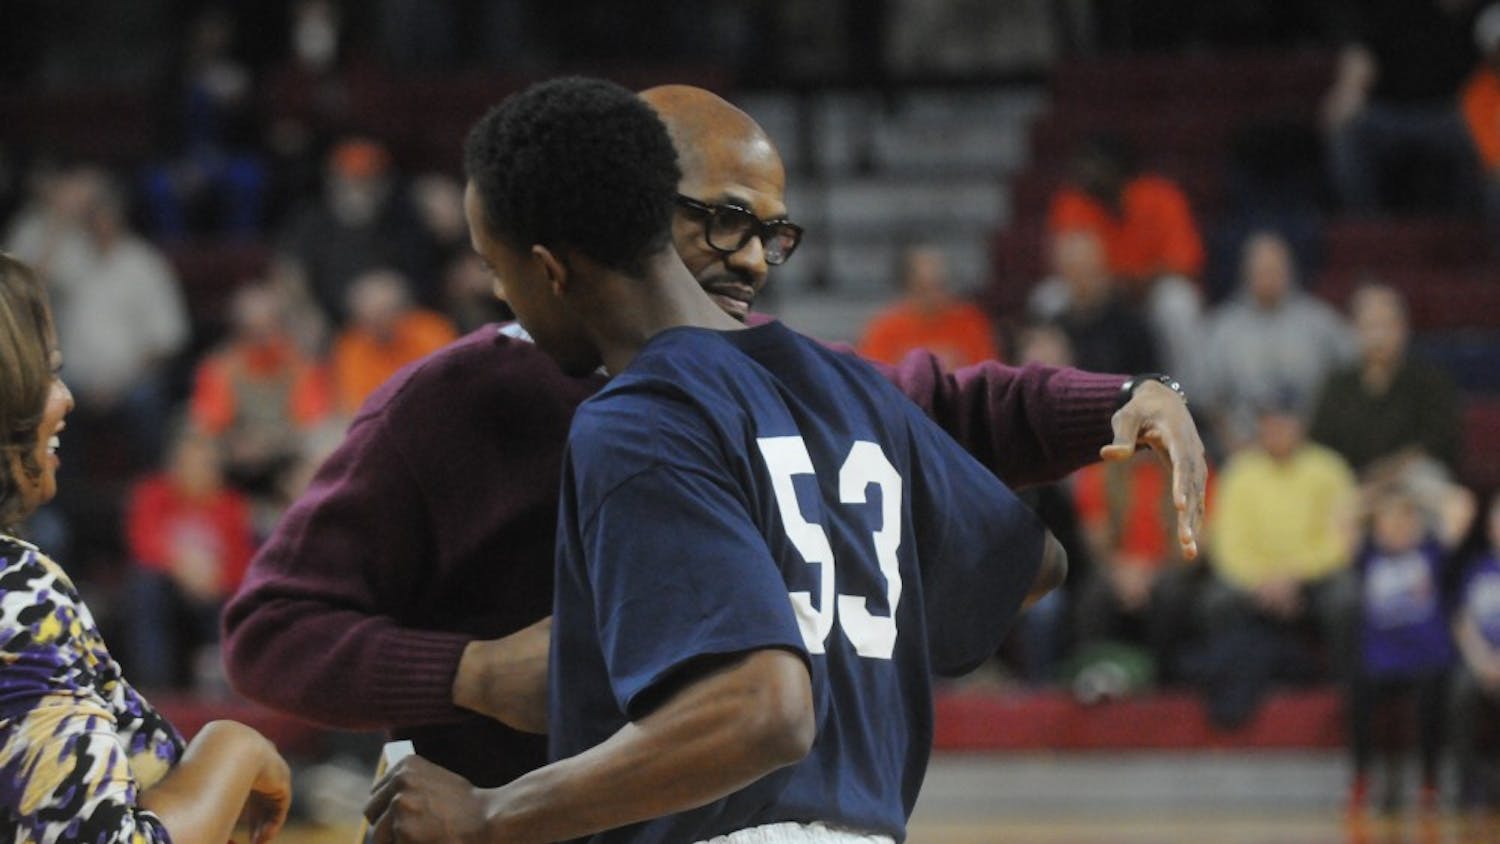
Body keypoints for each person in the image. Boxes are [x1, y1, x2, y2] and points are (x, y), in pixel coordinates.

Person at [222, 84, 1207, 789]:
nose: (753, 260)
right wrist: (469, 675)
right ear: (629, 201)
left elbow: (947, 408)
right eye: (726, 221)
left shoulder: (782, 373)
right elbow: (269, 633)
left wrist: (1125, 397)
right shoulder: (443, 404)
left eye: (774, 234)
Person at [364, 74, 1064, 844]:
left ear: (551, 268)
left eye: (500, 269)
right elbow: (1030, 564)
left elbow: (763, 711)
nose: (502, 296)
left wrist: (493, 813)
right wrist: (828, 623)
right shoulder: (847, 385)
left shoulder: (640, 417)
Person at [0, 253, 290, 842]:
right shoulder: (15, 590)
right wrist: (233, 748)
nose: (67, 397)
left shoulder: (227, 504)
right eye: (48, 374)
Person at [1345, 473, 1474, 815]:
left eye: (1406, 518)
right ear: (1378, 525)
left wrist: (1418, 491)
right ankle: (1361, 779)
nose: (1399, 526)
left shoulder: (1431, 551)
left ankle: (1429, 781)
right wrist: (1379, 494)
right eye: (1391, 519)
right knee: (1357, 688)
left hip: (1426, 657)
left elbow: (1462, 506)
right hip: (1381, 659)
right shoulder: (1368, 556)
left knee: (1434, 691)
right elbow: (1342, 516)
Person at [123, 423, 256, 691]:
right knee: (144, 587)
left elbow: (244, 562)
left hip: (215, 591)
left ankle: (229, 688)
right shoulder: (153, 494)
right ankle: (155, 687)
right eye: (190, 462)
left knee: (241, 604)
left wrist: (214, 578)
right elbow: (142, 544)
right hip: (168, 586)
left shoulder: (231, 505)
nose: (198, 470)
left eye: (206, 463)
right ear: (175, 465)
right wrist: (182, 566)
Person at [1201, 231, 1356, 452]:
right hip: (1243, 450)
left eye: (1275, 270)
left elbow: (1353, 379)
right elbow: (1211, 402)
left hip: (1313, 448)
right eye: (1261, 271)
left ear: (1290, 272)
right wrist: (1234, 446)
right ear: (1246, 274)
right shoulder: (1221, 329)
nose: (1268, 277)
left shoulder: (1322, 323)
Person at [1309, 283, 1462, 476]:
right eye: (1371, 326)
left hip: (1413, 485)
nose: (1379, 336)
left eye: (1387, 325)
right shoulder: (1336, 386)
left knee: (1447, 497)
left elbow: (1439, 445)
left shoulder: (1431, 382)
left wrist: (1385, 479)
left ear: (1404, 328)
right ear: (1354, 330)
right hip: (1352, 488)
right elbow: (1320, 450)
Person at [330, 268, 456, 413]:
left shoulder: (431, 329)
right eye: (371, 318)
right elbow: (358, 403)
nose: (380, 323)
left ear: (403, 310)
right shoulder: (351, 348)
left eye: (386, 312)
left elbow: (447, 379)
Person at [857, 244, 999, 371]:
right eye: (926, 288)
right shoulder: (884, 329)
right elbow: (873, 387)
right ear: (908, 287)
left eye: (941, 285)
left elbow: (987, 381)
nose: (936, 295)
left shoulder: (970, 322)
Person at [1453, 492, 1500, 809]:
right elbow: (1462, 621)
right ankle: (1469, 785)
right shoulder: (1476, 568)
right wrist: (1483, 660)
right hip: (1480, 661)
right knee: (1461, 691)